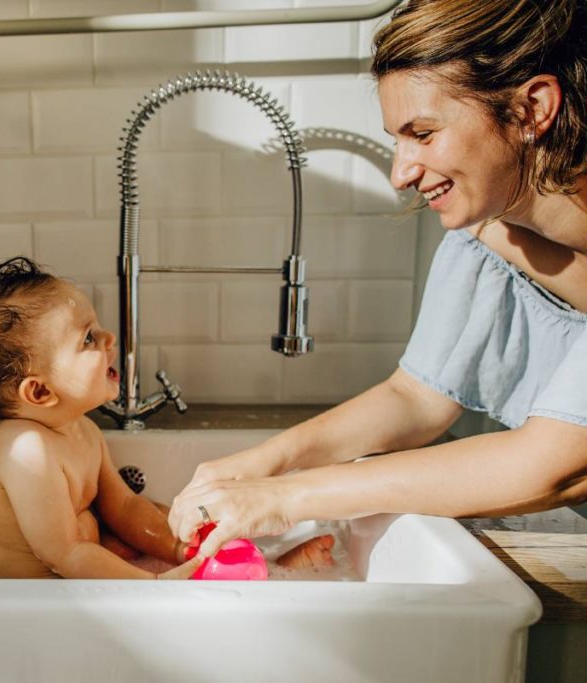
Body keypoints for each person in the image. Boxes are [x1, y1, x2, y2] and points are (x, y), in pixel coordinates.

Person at [168, 0, 587, 557]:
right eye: (398, 138)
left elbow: (547, 468)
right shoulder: (487, 227)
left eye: (424, 133)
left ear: (533, 108)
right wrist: (260, 463)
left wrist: (285, 497)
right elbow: (416, 397)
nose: (401, 173)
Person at [0, 257, 202, 579]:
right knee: (112, 540)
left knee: (159, 514)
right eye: (88, 339)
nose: (108, 338)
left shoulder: (84, 430)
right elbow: (65, 555)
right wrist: (155, 584)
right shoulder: (26, 450)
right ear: (39, 393)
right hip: (17, 602)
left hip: (66, 579)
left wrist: (180, 550)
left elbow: (123, 507)